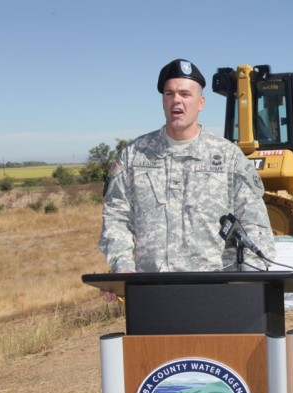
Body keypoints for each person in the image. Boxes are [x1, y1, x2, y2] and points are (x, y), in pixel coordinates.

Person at [99, 58, 275, 273]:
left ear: (201, 103)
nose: (176, 101)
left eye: (185, 94)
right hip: (151, 287)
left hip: (215, 286)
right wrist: (123, 266)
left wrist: (251, 282)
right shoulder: (134, 155)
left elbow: (255, 224)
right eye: (169, 94)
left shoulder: (228, 157)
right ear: (163, 101)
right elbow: (116, 216)